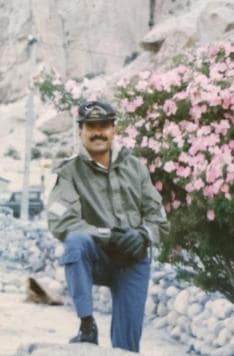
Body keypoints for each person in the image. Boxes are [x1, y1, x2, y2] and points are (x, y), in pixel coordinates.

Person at [47, 101, 169, 352]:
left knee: (126, 347)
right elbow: (61, 221)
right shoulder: (69, 172)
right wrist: (108, 235)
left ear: (114, 129)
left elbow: (159, 219)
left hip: (132, 259)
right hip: (97, 257)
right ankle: (87, 325)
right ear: (80, 131)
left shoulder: (136, 168)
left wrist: (144, 235)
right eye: (91, 127)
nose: (98, 132)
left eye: (104, 126)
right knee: (75, 241)